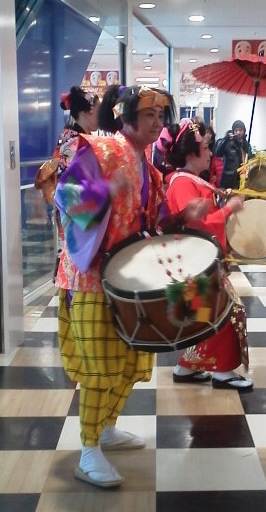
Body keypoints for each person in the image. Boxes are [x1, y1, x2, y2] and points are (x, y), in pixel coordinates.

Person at [54, 85, 208, 489]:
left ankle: (105, 429)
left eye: (160, 116)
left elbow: (153, 222)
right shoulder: (99, 150)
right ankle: (88, 450)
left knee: (128, 365)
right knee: (101, 369)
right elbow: (64, 196)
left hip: (129, 282)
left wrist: (182, 217)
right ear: (126, 117)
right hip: (91, 280)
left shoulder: (150, 169)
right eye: (149, 115)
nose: (157, 123)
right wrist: (105, 190)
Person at [164, 118, 253, 391]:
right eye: (205, 147)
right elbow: (197, 226)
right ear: (190, 153)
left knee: (205, 315)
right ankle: (223, 371)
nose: (210, 152)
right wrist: (227, 210)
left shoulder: (189, 180)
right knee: (224, 312)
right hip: (196, 262)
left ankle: (187, 366)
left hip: (199, 261)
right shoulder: (182, 183)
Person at [215, 119, 253, 189]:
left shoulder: (246, 145)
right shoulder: (228, 143)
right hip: (227, 181)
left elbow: (250, 158)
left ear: (244, 131)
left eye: (240, 130)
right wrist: (225, 139)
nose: (238, 132)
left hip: (240, 180)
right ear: (233, 131)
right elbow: (218, 153)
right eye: (236, 130)